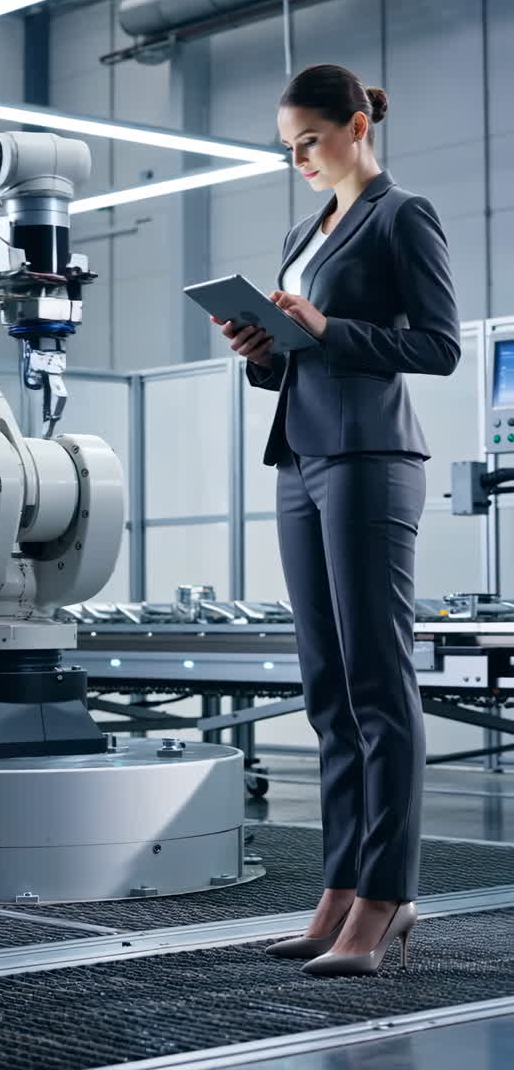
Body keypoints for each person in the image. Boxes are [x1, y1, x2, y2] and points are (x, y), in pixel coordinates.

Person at [219, 64, 460, 977]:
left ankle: (386, 896)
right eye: (289, 149)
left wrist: (324, 329)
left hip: (369, 460)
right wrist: (262, 350)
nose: (300, 160)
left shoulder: (404, 215)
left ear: (356, 125)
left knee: (375, 686)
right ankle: (339, 887)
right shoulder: (301, 229)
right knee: (327, 689)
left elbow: (436, 345)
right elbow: (298, 356)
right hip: (301, 456)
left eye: (310, 142)